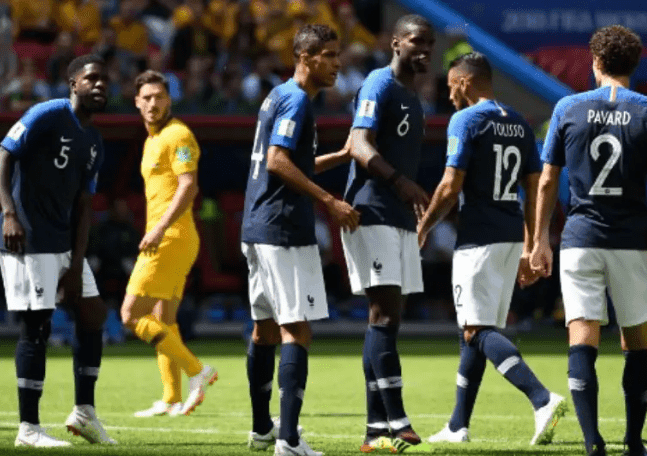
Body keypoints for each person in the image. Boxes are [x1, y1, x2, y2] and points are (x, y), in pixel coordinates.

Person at [530, 25, 647, 456]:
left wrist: (539, 240)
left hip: (580, 239)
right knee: (637, 343)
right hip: (631, 241)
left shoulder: (567, 107)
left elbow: (547, 181)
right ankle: (633, 443)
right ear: (635, 64)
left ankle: (593, 442)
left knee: (582, 335)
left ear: (595, 62)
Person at [415, 52, 567, 446]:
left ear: (465, 82)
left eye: (451, 86)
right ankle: (457, 426)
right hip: (510, 233)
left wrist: (423, 226)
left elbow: (450, 186)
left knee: (477, 329)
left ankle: (541, 398)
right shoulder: (518, 121)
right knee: (476, 329)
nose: (449, 95)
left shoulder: (465, 120)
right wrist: (531, 243)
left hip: (478, 238)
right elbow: (533, 185)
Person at [242, 24, 360, 456]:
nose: (337, 64)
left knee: (264, 331)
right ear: (305, 58)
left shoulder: (277, 95)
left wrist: (341, 156)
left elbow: (292, 161)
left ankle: (262, 429)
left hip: (257, 227)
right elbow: (277, 162)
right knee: (297, 330)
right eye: (329, 55)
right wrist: (330, 201)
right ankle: (289, 440)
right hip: (283, 229)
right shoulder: (296, 100)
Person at [0, 54, 115, 447]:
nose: (100, 85)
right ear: (73, 83)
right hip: (28, 236)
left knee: (93, 314)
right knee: (37, 326)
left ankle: (84, 413)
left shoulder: (94, 141)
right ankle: (28, 428)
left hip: (63, 241)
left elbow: (84, 205)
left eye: (105, 80)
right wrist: (9, 214)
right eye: (91, 78)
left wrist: (76, 264)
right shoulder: (46, 113)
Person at [341, 14, 434, 454]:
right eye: (416, 41)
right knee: (383, 314)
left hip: (397, 215)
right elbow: (359, 144)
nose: (424, 50)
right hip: (372, 208)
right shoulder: (379, 84)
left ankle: (374, 429)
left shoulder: (414, 96)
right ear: (396, 42)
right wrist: (400, 182)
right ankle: (397, 419)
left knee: (387, 321)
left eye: (429, 43)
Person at [120, 69, 218, 418]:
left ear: (169, 101)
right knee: (164, 318)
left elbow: (188, 186)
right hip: (172, 237)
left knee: (131, 315)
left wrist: (159, 229)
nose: (153, 103)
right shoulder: (151, 140)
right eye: (147, 97)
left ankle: (197, 370)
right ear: (137, 102)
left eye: (159, 97)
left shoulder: (178, 134)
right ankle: (171, 398)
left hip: (170, 238)